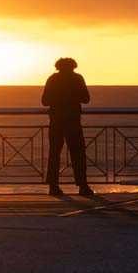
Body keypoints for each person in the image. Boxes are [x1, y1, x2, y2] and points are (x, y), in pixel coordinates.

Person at [43, 57, 94, 197]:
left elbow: (44, 101)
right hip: (73, 121)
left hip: (55, 122)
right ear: (74, 67)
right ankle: (82, 186)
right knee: (78, 154)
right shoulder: (77, 79)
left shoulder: (52, 79)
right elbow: (86, 99)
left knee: (54, 154)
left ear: (58, 67)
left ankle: (53, 186)